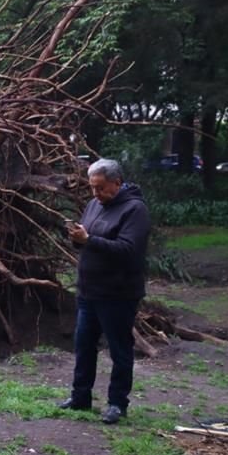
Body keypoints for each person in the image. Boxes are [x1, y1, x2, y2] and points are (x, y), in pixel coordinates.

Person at [60, 158, 151, 424]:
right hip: (89, 291)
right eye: (92, 188)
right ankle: (80, 397)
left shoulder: (135, 210)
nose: (95, 194)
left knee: (119, 349)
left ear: (117, 183)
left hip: (118, 294)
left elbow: (128, 251)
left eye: (100, 188)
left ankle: (117, 404)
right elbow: (88, 242)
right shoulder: (93, 205)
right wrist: (78, 238)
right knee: (84, 346)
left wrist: (89, 240)